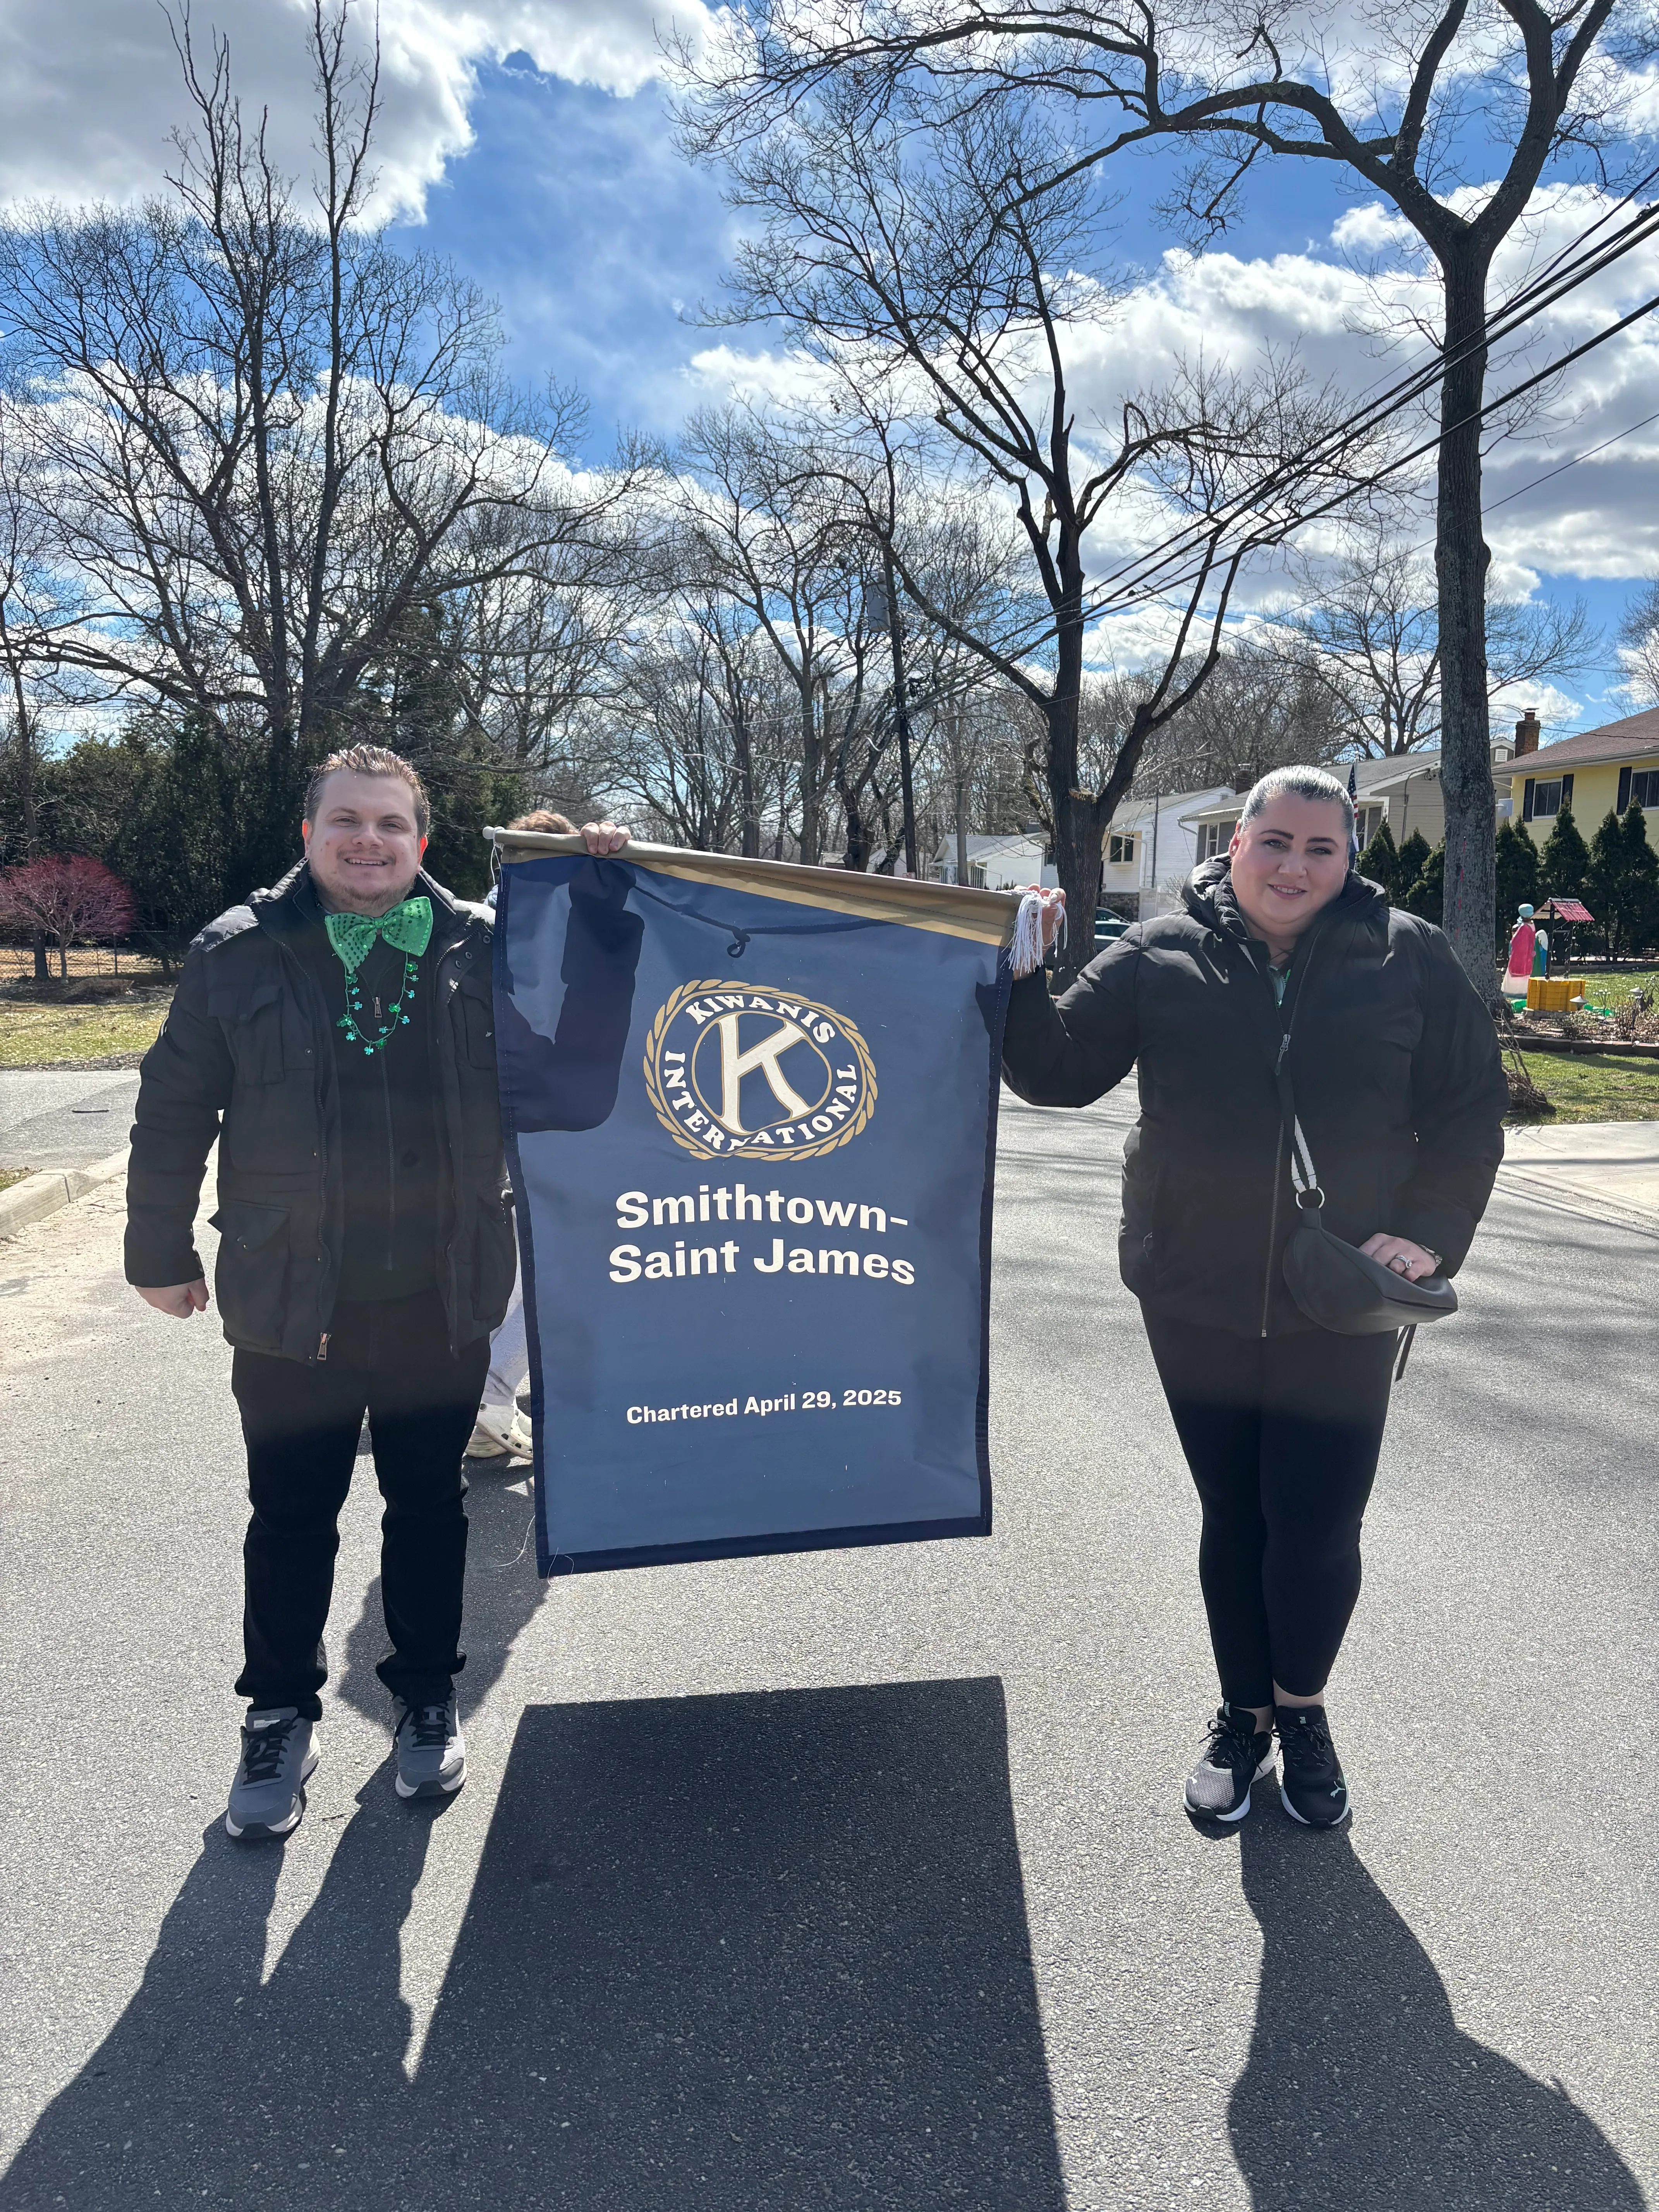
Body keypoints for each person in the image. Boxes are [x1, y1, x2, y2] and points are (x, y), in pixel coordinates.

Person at [124, 743, 627, 1839]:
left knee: (429, 1511)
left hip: (439, 1296)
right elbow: (173, 1111)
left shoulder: (481, 947)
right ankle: (276, 1715)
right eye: (346, 821)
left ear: (421, 841)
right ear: (307, 835)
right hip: (287, 1295)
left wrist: (600, 922)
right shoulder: (236, 953)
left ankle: (427, 1694)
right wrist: (156, 1248)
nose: (368, 841)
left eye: (391, 824)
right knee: (292, 1515)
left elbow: (577, 1087)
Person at [1001, 767, 1508, 1827]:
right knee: (1233, 1514)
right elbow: (1056, 1074)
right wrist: (1017, 977)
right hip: (1193, 1287)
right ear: (1235, 842)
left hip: (1342, 1298)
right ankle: (1242, 1714)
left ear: (1347, 858)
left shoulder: (1404, 955)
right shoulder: (1157, 954)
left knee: (1317, 1523)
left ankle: (1302, 1708)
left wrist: (1425, 1233)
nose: (1294, 866)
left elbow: (1466, 1109)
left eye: (1320, 849)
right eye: (1274, 841)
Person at [467, 808, 577, 1462]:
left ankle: (489, 1405)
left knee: (521, 1267)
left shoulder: (484, 919)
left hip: (503, 1116)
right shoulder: (544, 921)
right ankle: (491, 1387)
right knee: (558, 1271)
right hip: (546, 1116)